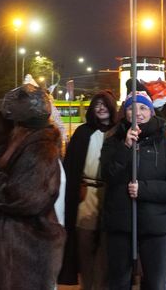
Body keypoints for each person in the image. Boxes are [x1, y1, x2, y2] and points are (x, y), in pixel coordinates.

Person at [0, 84, 66, 290]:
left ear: (19, 123)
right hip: (11, 252)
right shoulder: (21, 143)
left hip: (23, 255)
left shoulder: (40, 149)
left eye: (4, 118)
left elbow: (22, 198)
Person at [100, 91, 166, 290]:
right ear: (125, 112)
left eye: (143, 108)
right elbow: (106, 175)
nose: (138, 113)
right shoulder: (113, 141)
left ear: (151, 111)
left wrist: (145, 189)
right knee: (118, 281)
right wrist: (125, 148)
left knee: (156, 283)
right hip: (121, 224)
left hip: (156, 225)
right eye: (132, 108)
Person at [58, 90, 118, 289]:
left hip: (111, 195)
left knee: (106, 248)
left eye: (104, 104)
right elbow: (70, 167)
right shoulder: (83, 132)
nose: (100, 108)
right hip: (86, 194)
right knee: (84, 244)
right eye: (96, 104)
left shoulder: (119, 132)